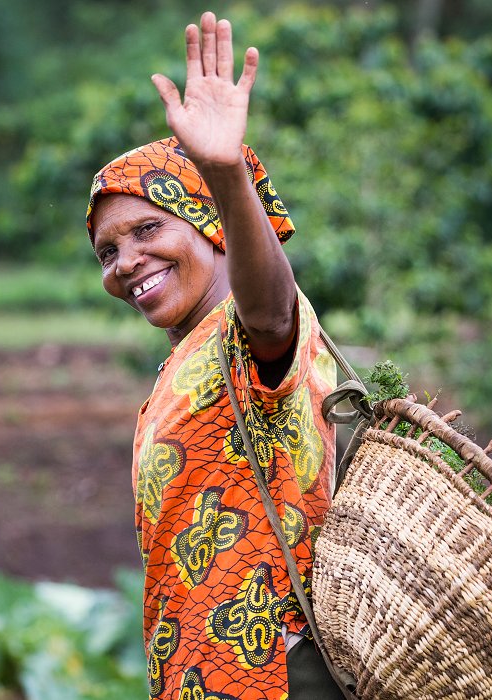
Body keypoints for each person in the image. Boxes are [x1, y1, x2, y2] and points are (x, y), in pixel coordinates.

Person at [85, 11, 346, 700]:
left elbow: (271, 309)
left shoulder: (247, 332)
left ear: (211, 226)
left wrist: (226, 173)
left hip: (274, 676)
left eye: (146, 229)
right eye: (108, 251)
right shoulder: (189, 358)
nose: (126, 263)